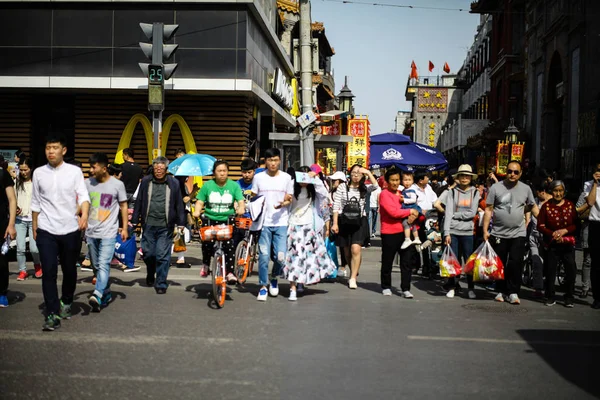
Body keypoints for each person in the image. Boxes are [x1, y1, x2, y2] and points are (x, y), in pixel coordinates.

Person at [31, 135, 90, 330]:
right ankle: (52, 313)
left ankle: (66, 300)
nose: (51, 151)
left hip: (70, 228)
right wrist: (34, 226)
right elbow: (36, 202)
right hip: (46, 228)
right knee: (48, 271)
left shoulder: (74, 172)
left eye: (55, 147)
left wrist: (84, 216)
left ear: (63, 150)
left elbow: (83, 196)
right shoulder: (38, 173)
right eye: (48, 147)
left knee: (69, 270)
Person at [483, 160, 539, 305]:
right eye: (509, 171)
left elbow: (532, 207)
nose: (512, 174)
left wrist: (545, 221)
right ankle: (501, 290)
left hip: (518, 232)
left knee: (516, 263)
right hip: (498, 233)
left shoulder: (526, 189)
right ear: (505, 172)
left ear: (520, 174)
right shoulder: (496, 188)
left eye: (515, 172)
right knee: (500, 263)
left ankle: (513, 291)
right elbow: (488, 210)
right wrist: (485, 231)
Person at [132, 156, 186, 294]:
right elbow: (139, 200)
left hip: (165, 225)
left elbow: (179, 204)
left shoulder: (173, 183)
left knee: (162, 255)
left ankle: (161, 283)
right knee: (149, 253)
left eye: (161, 168)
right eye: (156, 168)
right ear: (153, 169)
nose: (158, 171)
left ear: (166, 169)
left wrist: (181, 222)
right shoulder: (146, 181)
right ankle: (151, 272)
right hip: (148, 224)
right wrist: (134, 219)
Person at [282, 166, 336, 301]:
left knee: (307, 257)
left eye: (306, 177)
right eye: (302, 177)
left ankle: (301, 282)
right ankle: (293, 288)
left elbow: (324, 194)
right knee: (294, 257)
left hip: (309, 226)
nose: (303, 181)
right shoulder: (291, 186)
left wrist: (315, 178)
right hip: (293, 225)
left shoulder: (313, 189)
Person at [84, 152, 128, 311]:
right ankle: (106, 292)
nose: (91, 170)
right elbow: (83, 203)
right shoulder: (87, 183)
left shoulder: (117, 185)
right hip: (91, 232)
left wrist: (124, 227)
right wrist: (78, 216)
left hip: (109, 232)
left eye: (93, 167)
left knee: (103, 264)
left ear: (104, 168)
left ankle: (97, 293)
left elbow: (123, 205)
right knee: (96, 266)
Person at [251, 148, 294, 301]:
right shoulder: (258, 178)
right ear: (266, 161)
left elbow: (290, 199)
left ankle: (274, 277)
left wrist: (285, 203)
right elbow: (254, 197)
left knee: (281, 256)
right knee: (263, 256)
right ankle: (263, 286)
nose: (273, 163)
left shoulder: (287, 178)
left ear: (280, 161)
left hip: (281, 222)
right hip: (263, 223)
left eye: (275, 160)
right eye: (270, 160)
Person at [193, 160, 245, 282]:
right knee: (207, 243)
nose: (222, 173)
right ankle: (206, 265)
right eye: (219, 171)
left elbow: (240, 201)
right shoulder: (208, 185)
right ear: (214, 173)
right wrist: (197, 211)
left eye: (224, 171)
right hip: (210, 219)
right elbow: (200, 201)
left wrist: (241, 208)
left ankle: (230, 272)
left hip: (227, 220)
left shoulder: (233, 186)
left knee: (229, 245)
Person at [331, 164, 379, 289]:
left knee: (355, 249)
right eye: (354, 173)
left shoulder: (364, 188)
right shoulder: (342, 187)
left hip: (359, 221)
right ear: (349, 174)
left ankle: (353, 278)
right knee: (346, 251)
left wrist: (368, 172)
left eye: (359, 173)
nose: (356, 175)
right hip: (344, 221)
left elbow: (376, 186)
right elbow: (336, 206)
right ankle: (353, 268)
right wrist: (335, 223)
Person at [379, 167, 419, 297]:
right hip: (389, 232)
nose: (395, 183)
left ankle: (406, 288)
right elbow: (393, 212)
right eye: (392, 180)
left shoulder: (403, 192)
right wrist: (409, 212)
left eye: (397, 180)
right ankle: (386, 286)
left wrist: (415, 214)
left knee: (406, 262)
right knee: (388, 261)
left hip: (405, 232)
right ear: (387, 181)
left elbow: (414, 207)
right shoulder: (384, 194)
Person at [536, 180, 578, 307]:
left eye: (560, 191)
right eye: (555, 190)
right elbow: (540, 225)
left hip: (567, 243)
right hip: (552, 244)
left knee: (571, 269)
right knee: (550, 270)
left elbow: (576, 224)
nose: (558, 193)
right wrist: (553, 234)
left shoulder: (570, 205)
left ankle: (569, 296)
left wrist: (565, 231)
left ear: (564, 192)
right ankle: (550, 295)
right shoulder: (546, 206)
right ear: (551, 192)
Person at [441, 165, 480, 299]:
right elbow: (448, 213)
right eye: (462, 175)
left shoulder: (475, 192)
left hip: (468, 232)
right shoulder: (451, 192)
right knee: (454, 261)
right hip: (453, 231)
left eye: (467, 176)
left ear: (471, 178)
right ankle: (452, 286)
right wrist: (446, 233)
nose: (464, 178)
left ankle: (470, 288)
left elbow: (472, 213)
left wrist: (456, 215)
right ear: (458, 177)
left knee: (469, 261)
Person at [15, 157, 42, 281]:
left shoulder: (36, 183)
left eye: (25, 170)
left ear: (31, 169)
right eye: (21, 170)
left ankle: (37, 265)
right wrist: (15, 207)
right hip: (19, 219)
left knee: (34, 248)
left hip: (34, 220)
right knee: (20, 248)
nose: (23, 172)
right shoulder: (16, 182)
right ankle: (22, 271)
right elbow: (12, 198)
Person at [579, 164, 600, 309]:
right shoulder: (589, 185)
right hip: (595, 225)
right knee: (596, 262)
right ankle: (597, 297)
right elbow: (591, 202)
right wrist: (595, 184)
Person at [413, 171, 438, 277]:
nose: (428, 179)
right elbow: (412, 203)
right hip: (418, 219)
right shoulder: (413, 189)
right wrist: (420, 210)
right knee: (419, 243)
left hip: (430, 219)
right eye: (426, 177)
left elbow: (435, 200)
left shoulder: (428, 188)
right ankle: (418, 265)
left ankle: (429, 266)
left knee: (430, 242)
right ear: (420, 180)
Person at [529, 184, 552, 298]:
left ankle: (549, 288)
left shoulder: (552, 202)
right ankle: (538, 288)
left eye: (543, 191)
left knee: (548, 264)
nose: (541, 193)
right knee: (536, 262)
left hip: (548, 238)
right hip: (534, 237)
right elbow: (529, 217)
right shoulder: (534, 202)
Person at [0, 163, 17, 308]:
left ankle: (2, 293)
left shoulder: (2, 174)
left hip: (1, 224)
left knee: (1, 260)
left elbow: (12, 199)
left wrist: (11, 224)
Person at [328, 171, 349, 277]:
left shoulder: (346, 191)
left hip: (343, 219)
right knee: (333, 243)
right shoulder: (331, 191)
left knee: (343, 244)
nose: (333, 182)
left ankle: (344, 265)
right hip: (332, 218)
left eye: (335, 180)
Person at [400, 172, 422, 249]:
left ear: (412, 181)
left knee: (405, 223)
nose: (407, 182)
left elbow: (413, 199)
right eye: (405, 180)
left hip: (411, 209)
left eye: (409, 180)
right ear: (402, 181)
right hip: (409, 209)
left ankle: (407, 239)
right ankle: (416, 238)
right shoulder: (405, 190)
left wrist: (403, 200)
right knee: (413, 224)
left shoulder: (411, 190)